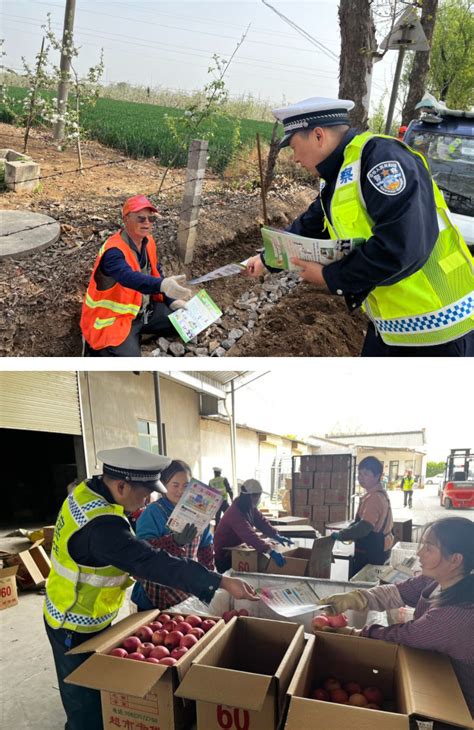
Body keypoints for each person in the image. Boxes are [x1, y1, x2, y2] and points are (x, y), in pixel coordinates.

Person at [43, 447, 258, 730]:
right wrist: (219, 581)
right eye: (145, 493)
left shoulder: (89, 491)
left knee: (99, 694)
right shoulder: (101, 528)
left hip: (86, 611)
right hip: (73, 621)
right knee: (86, 708)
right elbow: (152, 562)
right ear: (121, 486)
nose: (148, 498)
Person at [246, 97, 474, 357]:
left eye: (294, 146)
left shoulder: (381, 160)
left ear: (318, 136)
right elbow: (311, 224)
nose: (295, 158)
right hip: (392, 328)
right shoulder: (339, 174)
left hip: (441, 329)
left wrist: (331, 278)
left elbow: (401, 246)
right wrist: (266, 259)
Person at [314, 517, 474, 716]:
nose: (419, 553)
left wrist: (352, 633)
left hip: (460, 701)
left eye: (429, 548)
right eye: (422, 544)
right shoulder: (438, 580)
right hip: (438, 673)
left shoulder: (457, 614)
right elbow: (398, 592)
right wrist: (356, 598)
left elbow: (404, 636)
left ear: (455, 560)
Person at [81, 194, 193, 357]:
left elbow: (156, 272)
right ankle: (101, 349)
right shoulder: (113, 252)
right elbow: (129, 277)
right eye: (141, 219)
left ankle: (139, 334)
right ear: (126, 219)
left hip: (145, 311)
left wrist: (171, 300)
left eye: (150, 219)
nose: (147, 223)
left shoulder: (149, 242)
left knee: (185, 322)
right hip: (114, 321)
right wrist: (162, 285)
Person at [131, 459, 215, 611]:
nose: (181, 491)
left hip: (185, 591)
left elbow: (205, 546)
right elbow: (141, 552)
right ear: (163, 485)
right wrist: (173, 542)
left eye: (186, 485)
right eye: (175, 485)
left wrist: (209, 578)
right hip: (154, 594)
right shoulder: (153, 512)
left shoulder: (199, 513)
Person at [331, 456, 394, 577]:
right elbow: (360, 522)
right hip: (378, 548)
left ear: (377, 476)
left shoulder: (375, 498)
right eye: (359, 473)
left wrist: (342, 535)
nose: (360, 477)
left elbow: (364, 527)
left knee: (363, 584)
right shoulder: (374, 494)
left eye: (365, 474)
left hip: (372, 553)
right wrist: (348, 530)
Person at [213, 478, 293, 573]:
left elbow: (261, 522)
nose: (258, 499)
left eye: (259, 496)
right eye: (256, 496)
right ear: (247, 496)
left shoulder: (249, 507)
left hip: (237, 549)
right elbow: (249, 535)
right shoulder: (234, 512)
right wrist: (269, 551)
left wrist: (275, 535)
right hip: (225, 555)